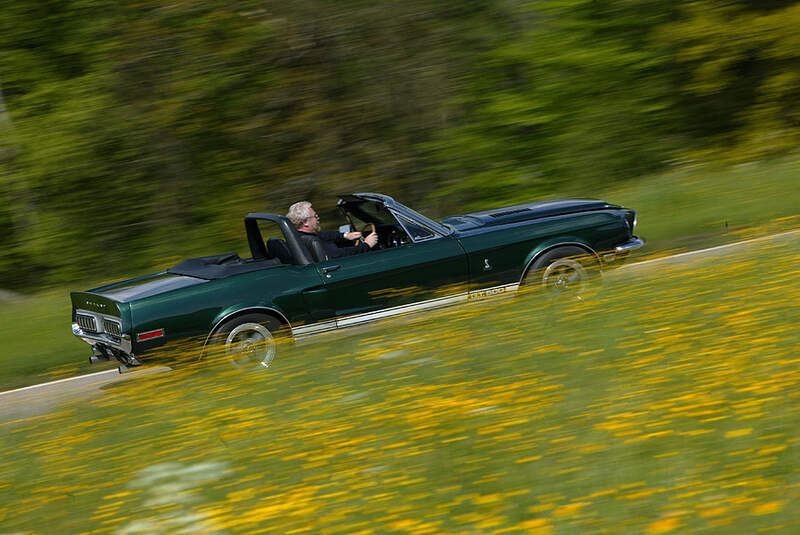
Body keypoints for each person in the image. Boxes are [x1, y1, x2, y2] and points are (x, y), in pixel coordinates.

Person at [287, 201, 378, 260]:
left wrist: (345, 235)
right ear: (305, 222)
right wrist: (366, 245)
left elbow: (324, 235)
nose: (318, 218)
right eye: (315, 216)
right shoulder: (313, 242)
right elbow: (340, 255)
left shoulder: (300, 236)